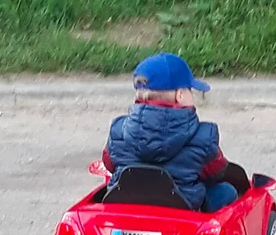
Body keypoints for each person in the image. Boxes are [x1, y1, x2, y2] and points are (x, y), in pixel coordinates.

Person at [102, 53, 238, 213]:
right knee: (227, 191)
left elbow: (109, 163)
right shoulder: (203, 136)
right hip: (182, 210)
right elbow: (216, 172)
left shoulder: (118, 129)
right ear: (180, 95)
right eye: (190, 90)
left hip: (126, 204)